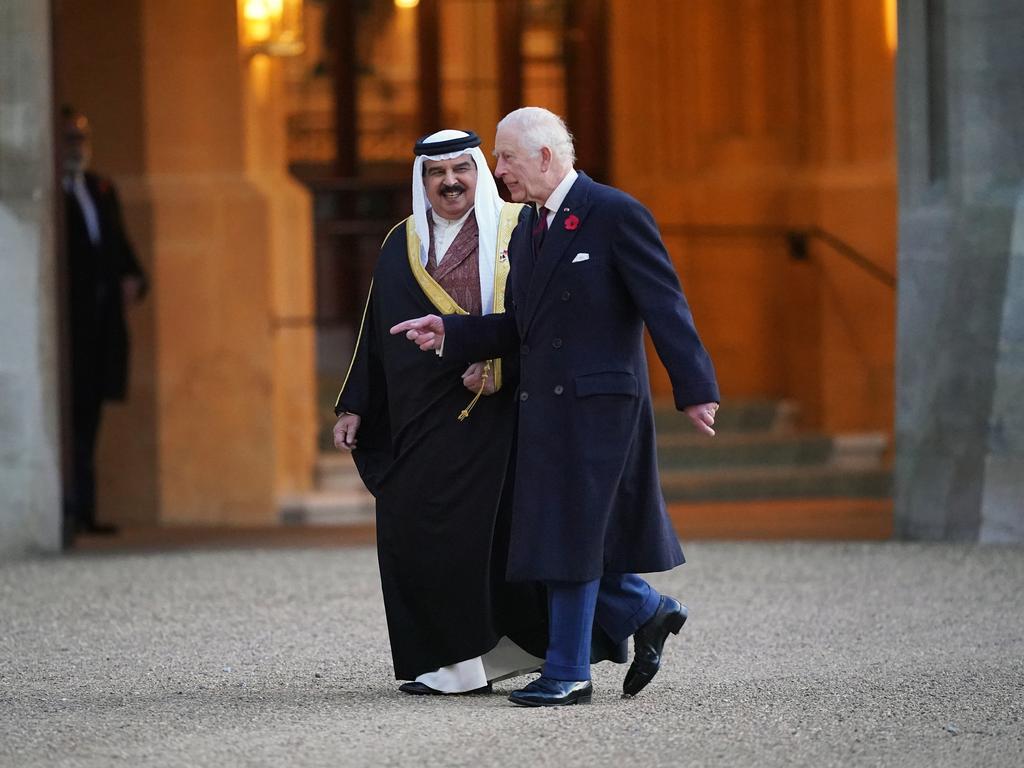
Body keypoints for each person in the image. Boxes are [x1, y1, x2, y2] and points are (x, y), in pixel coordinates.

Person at [391, 107, 721, 707]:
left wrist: (695, 389)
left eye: (507, 157)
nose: (498, 170)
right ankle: (642, 614)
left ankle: (570, 672)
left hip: (600, 409)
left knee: (568, 538)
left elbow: (665, 304)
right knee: (557, 537)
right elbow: (520, 324)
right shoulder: (529, 228)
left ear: (545, 156)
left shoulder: (615, 212)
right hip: (543, 407)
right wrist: (450, 331)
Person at [332, 129, 549, 695]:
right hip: (417, 416)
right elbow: (374, 332)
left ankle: (469, 665)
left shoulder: (518, 231)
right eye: (436, 173)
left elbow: (544, 324)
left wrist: (503, 368)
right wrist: (356, 403)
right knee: (411, 530)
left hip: (493, 412)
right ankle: (455, 660)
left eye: (461, 170)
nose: (450, 182)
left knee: (472, 540)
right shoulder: (401, 241)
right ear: (421, 180)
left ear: (480, 173)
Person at [61, 106, 147, 542]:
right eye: (69, 138)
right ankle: (67, 510)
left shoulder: (100, 188)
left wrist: (135, 280)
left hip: (100, 330)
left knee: (90, 421)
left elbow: (120, 249)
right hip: (63, 333)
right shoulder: (48, 193)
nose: (77, 147)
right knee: (68, 420)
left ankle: (85, 509)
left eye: (81, 138)